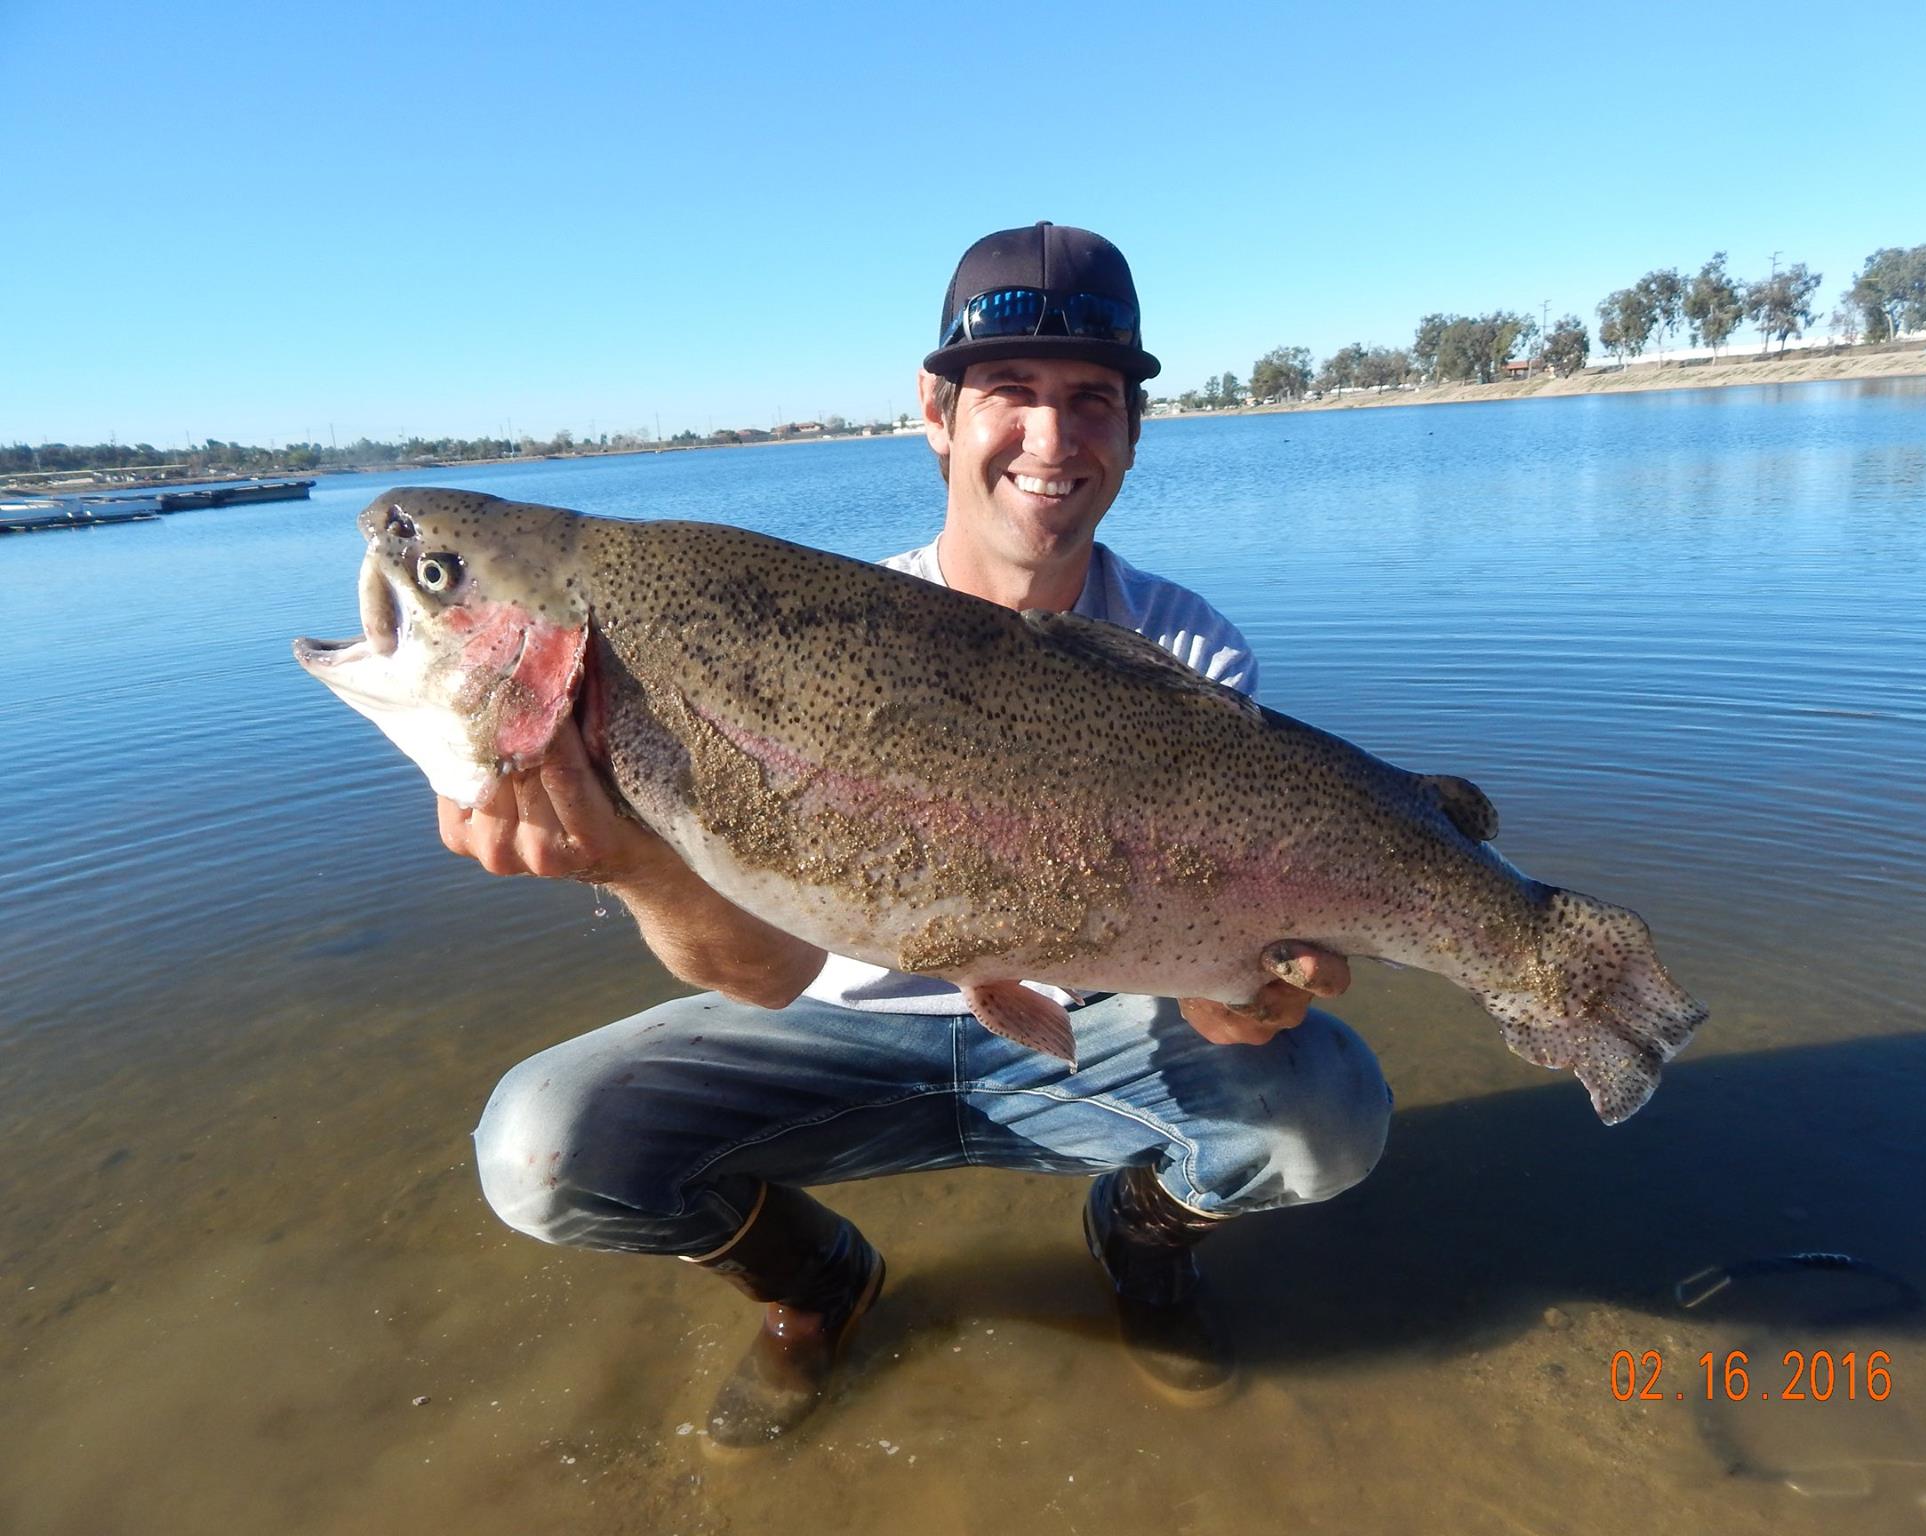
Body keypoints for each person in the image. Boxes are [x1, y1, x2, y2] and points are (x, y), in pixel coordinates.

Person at [452, 222, 1393, 1449]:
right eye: (1009, 392)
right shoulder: (798, 640)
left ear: (1132, 432)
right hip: (832, 1032)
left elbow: (1216, 976)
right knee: (540, 1147)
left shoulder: (1189, 658)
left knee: (1326, 1111)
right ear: (936, 414)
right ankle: (816, 1289)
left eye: (1092, 402)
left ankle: (1142, 1247)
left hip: (1084, 1040)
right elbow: (771, 974)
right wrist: (625, 862)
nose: (1051, 442)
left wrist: (1244, 992)